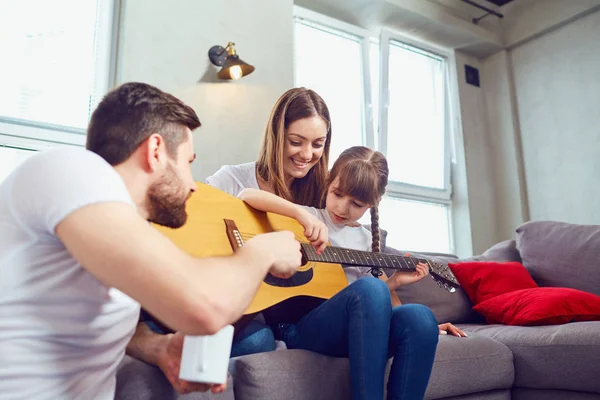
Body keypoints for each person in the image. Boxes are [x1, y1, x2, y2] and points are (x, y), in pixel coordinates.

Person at [0, 82, 304, 399]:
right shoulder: (74, 169)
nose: (193, 185)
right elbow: (205, 308)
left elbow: (86, 320)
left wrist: (156, 346)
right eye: (188, 162)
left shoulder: (121, 231)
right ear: (155, 151)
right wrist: (265, 248)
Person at [238, 146, 448, 399]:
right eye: (337, 194)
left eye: (356, 204)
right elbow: (246, 195)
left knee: (420, 318)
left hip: (354, 330)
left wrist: (394, 282)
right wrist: (300, 214)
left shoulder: (367, 239)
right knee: (370, 289)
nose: (342, 208)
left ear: (374, 203)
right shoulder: (304, 218)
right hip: (301, 327)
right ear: (328, 181)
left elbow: (373, 305)